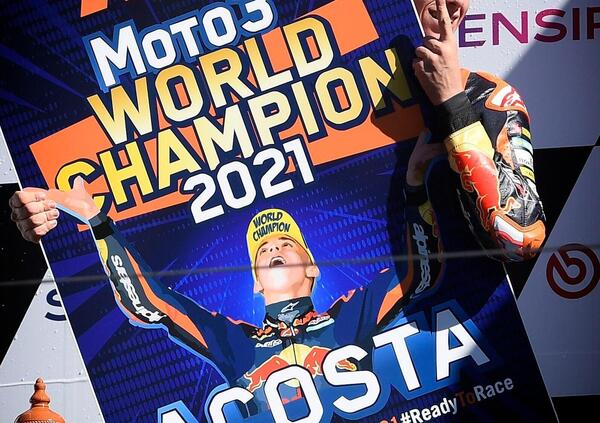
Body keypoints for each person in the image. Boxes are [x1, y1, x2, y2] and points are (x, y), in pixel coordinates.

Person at [8, 0, 544, 417]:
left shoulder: (486, 100)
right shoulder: (235, 341)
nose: (277, 247)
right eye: (266, 249)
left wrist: (447, 118)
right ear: (254, 280)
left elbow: (513, 238)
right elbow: (153, 305)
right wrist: (84, 221)